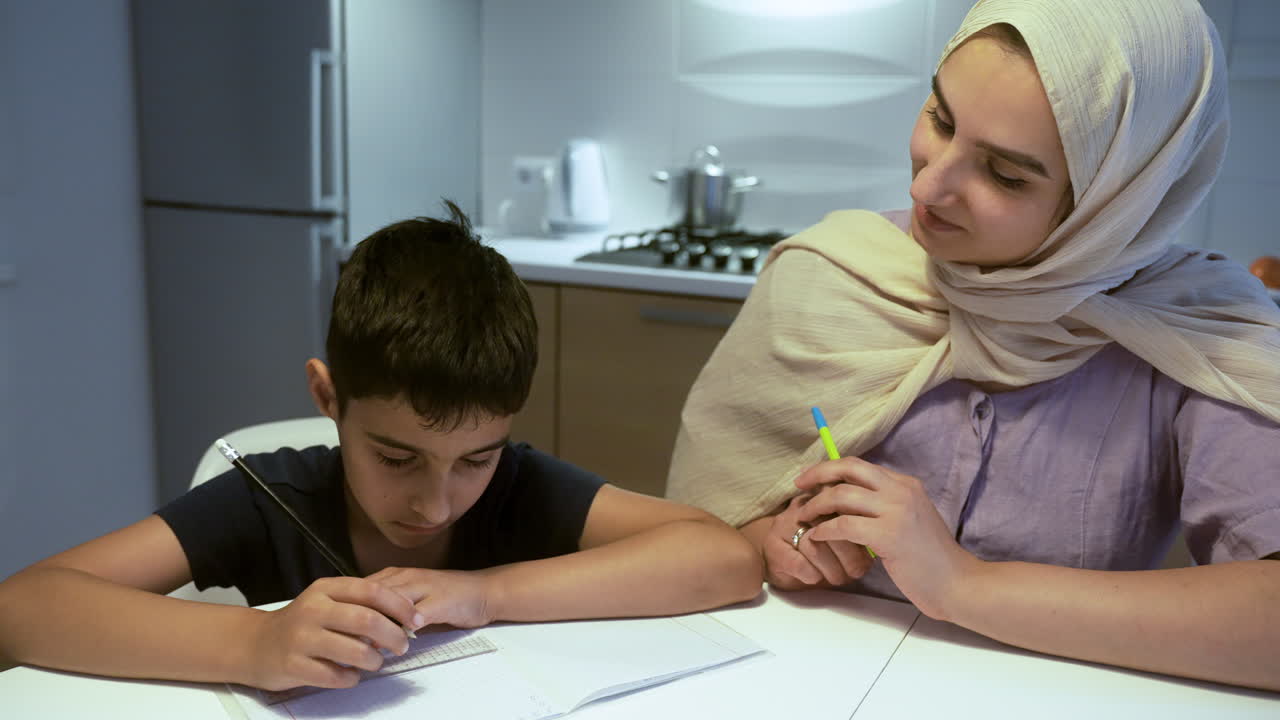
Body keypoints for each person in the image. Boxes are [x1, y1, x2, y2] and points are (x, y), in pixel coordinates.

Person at [667, 0, 1280, 692]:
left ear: (1116, 202)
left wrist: (962, 584)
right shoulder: (829, 273)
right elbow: (688, 532)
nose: (928, 184)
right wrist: (769, 545)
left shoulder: (1197, 327)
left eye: (1007, 174)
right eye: (941, 118)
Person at [0, 202, 763, 691]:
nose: (435, 503)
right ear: (327, 397)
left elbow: (724, 559)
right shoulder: (272, 499)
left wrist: (487, 592)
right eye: (397, 458)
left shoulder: (520, 489)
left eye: (475, 458)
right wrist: (255, 641)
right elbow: (22, 609)